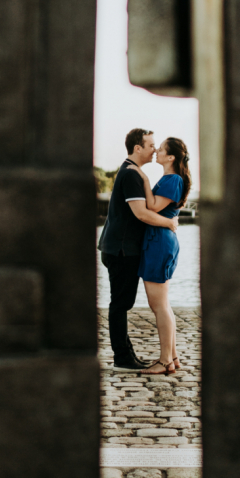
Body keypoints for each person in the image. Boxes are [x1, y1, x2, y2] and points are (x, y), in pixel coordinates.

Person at [97, 128, 177, 371]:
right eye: (150, 145)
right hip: (121, 250)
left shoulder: (132, 172)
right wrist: (169, 223)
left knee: (122, 303)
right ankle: (122, 357)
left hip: (120, 248)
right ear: (137, 148)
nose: (154, 150)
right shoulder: (131, 174)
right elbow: (141, 214)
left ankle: (126, 353)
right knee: (120, 304)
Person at [128, 137, 191, 376]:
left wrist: (142, 178)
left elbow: (152, 206)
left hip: (159, 243)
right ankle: (172, 357)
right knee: (163, 304)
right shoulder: (169, 178)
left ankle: (164, 361)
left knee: (158, 305)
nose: (157, 151)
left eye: (161, 149)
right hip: (158, 241)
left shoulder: (173, 179)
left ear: (171, 157)